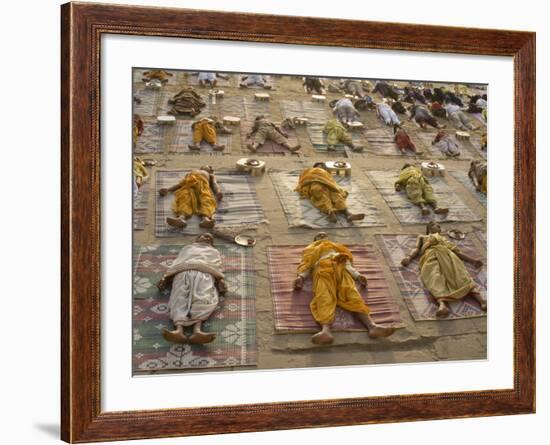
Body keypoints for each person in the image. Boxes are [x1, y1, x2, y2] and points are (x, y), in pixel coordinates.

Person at [293, 232, 396, 344]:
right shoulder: (312, 249)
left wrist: (357, 276)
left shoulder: (337, 247)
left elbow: (347, 264)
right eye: (319, 235)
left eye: (324, 235)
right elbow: (308, 265)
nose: (322, 236)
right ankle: (325, 331)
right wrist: (301, 278)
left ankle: (372, 326)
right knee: (324, 298)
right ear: (314, 240)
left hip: (340, 268)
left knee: (352, 294)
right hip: (322, 271)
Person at [401, 221, 486, 318]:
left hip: (448, 255)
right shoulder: (422, 237)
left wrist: (473, 260)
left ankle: (482, 300)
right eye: (436, 225)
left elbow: (456, 250)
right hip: (431, 256)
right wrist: (408, 257)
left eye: (439, 226)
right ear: (429, 227)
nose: (438, 227)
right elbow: (416, 248)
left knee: (460, 275)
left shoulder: (443, 238)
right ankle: (442, 305)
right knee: (434, 277)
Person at [158, 233, 227, 344]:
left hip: (205, 273)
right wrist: (165, 277)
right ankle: (178, 330)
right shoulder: (187, 248)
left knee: (203, 297)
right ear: (198, 238)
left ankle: (197, 331)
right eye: (205, 235)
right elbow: (178, 262)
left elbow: (216, 265)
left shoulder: (214, 251)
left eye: (210, 237)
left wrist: (220, 280)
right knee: (180, 296)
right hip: (183, 272)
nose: (208, 237)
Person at [295, 163, 365, 223]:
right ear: (315, 166)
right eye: (319, 165)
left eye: (323, 166)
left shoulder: (326, 173)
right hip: (315, 182)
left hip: (329, 185)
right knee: (319, 192)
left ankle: (349, 215)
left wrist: (334, 186)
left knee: (337, 195)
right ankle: (330, 212)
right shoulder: (309, 170)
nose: (321, 166)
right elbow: (302, 178)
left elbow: (332, 181)